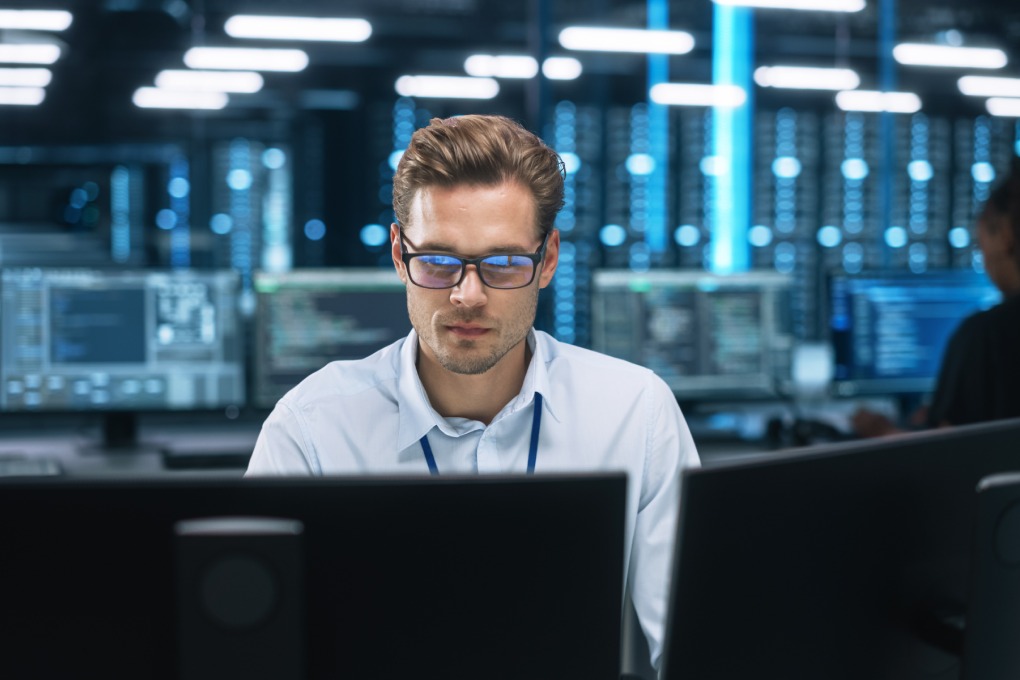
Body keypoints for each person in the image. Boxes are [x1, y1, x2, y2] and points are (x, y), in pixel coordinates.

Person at [246, 114, 701, 671]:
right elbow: (255, 654)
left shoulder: (634, 413)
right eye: (437, 262)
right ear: (398, 254)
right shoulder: (312, 429)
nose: (467, 295)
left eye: (504, 264)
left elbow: (694, 648)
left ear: (548, 260)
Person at [852, 165, 1020, 437]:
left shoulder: (985, 336)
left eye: (981, 243)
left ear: (1004, 236)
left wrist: (883, 431)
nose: (983, 256)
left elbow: (948, 458)